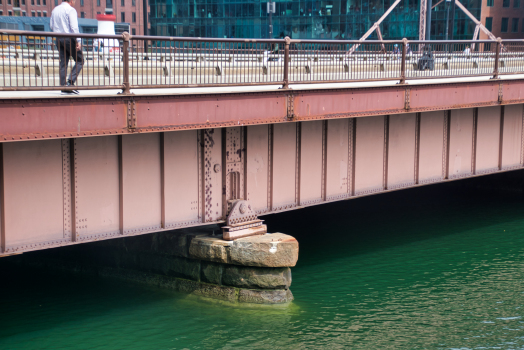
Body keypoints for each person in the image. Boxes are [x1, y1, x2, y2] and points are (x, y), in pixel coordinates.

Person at [50, 0, 83, 95]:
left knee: (63, 62)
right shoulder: (71, 10)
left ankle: (63, 86)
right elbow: (74, 28)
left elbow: (52, 26)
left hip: (58, 38)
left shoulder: (55, 10)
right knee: (80, 60)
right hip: (68, 38)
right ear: (71, 1)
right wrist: (78, 40)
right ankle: (70, 82)